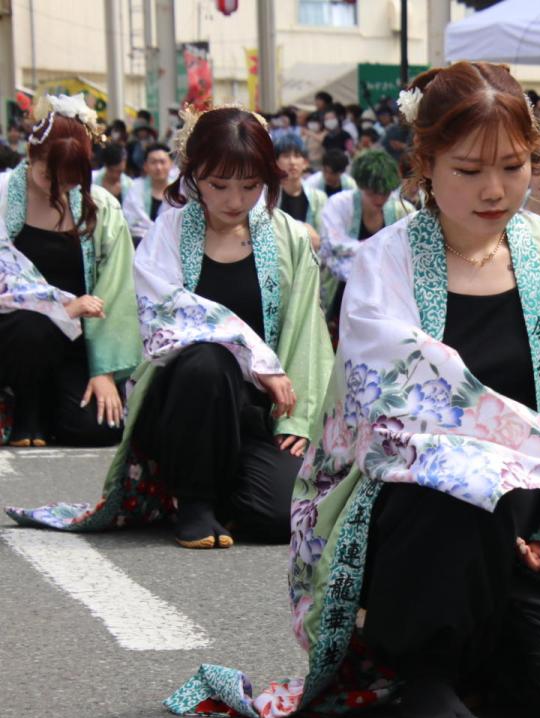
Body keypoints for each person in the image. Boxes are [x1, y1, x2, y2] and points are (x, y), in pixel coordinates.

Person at [163, 61, 540, 718]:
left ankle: (474, 647)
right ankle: (424, 665)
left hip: (528, 516)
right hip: (421, 516)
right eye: (468, 169)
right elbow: (407, 405)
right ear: (424, 164)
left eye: (513, 167)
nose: (494, 189)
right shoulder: (384, 263)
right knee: (448, 483)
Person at [9, 107, 334, 547]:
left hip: (255, 410)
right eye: (219, 185)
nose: (235, 200)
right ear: (194, 174)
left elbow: (306, 332)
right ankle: (193, 500)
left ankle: (220, 488)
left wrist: (297, 419)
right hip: (185, 402)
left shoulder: (288, 238)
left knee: (278, 517)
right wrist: (252, 352)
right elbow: (165, 318)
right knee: (208, 358)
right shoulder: (170, 232)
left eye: (250, 185)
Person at [0, 94, 140, 447]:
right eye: (50, 176)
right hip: (14, 336)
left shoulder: (102, 207)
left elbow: (116, 288)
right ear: (32, 155)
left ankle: (50, 407)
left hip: (78, 343)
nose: (58, 189)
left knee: (99, 428)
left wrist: (104, 371)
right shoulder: (3, 196)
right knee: (33, 328)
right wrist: (60, 307)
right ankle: (26, 410)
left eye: (70, 181)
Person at [318, 148, 416, 328]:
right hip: (343, 292)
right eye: (373, 192)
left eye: (385, 192)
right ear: (361, 185)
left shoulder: (402, 210)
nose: (380, 198)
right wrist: (375, 252)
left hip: (389, 298)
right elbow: (331, 246)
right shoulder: (339, 204)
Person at [274, 132, 325, 253]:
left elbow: (322, 238)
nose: (292, 162)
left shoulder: (319, 198)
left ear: (305, 163)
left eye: (297, 156)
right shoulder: (266, 196)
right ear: (276, 162)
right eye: (286, 156)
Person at [123, 142, 176, 246]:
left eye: (162, 162)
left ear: (171, 164)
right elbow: (132, 221)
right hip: (139, 243)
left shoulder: (178, 191)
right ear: (145, 166)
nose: (158, 167)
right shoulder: (135, 188)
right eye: (153, 162)